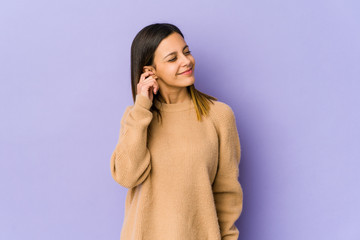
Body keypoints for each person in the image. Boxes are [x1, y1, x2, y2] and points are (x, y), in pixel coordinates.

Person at [110, 23, 243, 240]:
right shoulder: (137, 118)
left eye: (186, 52)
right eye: (172, 58)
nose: (186, 61)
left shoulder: (219, 116)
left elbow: (227, 194)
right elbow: (126, 176)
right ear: (150, 72)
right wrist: (142, 107)